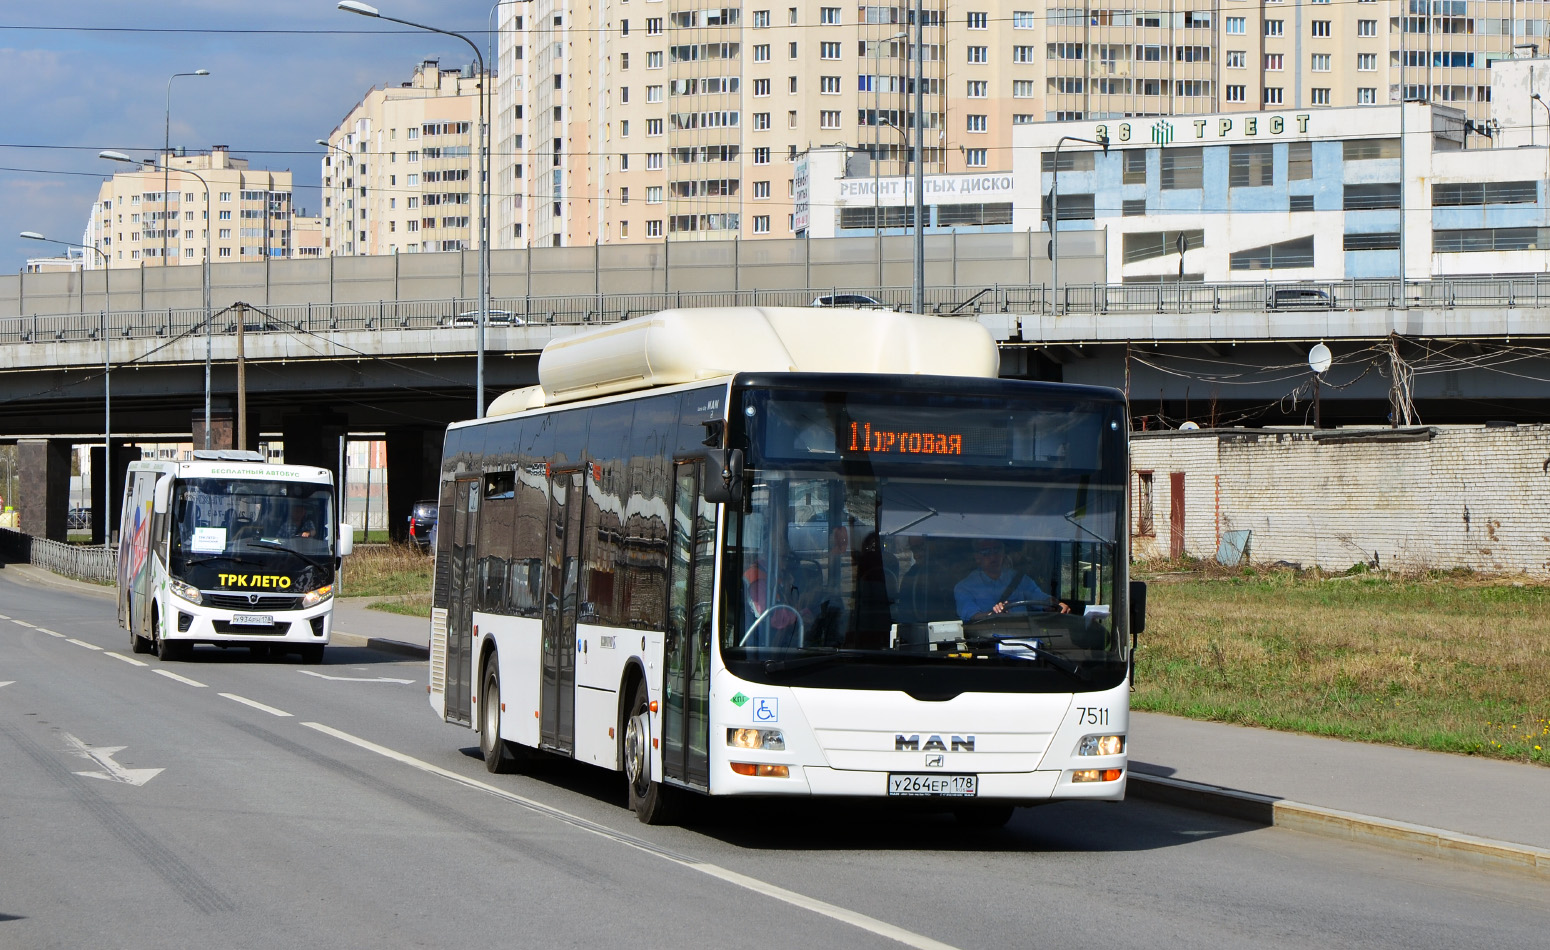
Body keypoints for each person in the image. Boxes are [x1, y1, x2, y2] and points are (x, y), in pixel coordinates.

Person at [954, 539, 1068, 622]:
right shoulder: (964, 587)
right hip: (986, 644)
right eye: (986, 552)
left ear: (1003, 553)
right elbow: (972, 616)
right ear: (977, 557)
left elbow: (1038, 596)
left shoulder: (1020, 579)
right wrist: (992, 615)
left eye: (997, 550)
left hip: (1024, 640)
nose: (993, 556)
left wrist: (1055, 603)